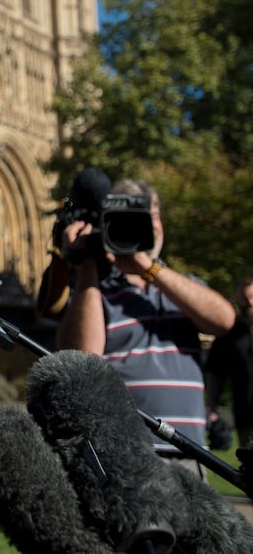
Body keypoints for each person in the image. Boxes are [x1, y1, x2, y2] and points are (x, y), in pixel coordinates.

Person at [55, 177, 235, 475]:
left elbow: (224, 320)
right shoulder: (95, 291)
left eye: (151, 216)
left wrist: (149, 269)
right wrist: (85, 264)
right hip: (123, 455)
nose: (147, 226)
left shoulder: (184, 287)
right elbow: (83, 357)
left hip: (189, 453)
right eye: (131, 220)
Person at [206, 277, 253, 449]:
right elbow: (216, 373)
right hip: (245, 413)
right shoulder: (228, 332)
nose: (249, 302)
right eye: (244, 297)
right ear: (237, 298)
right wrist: (212, 407)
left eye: (252, 297)